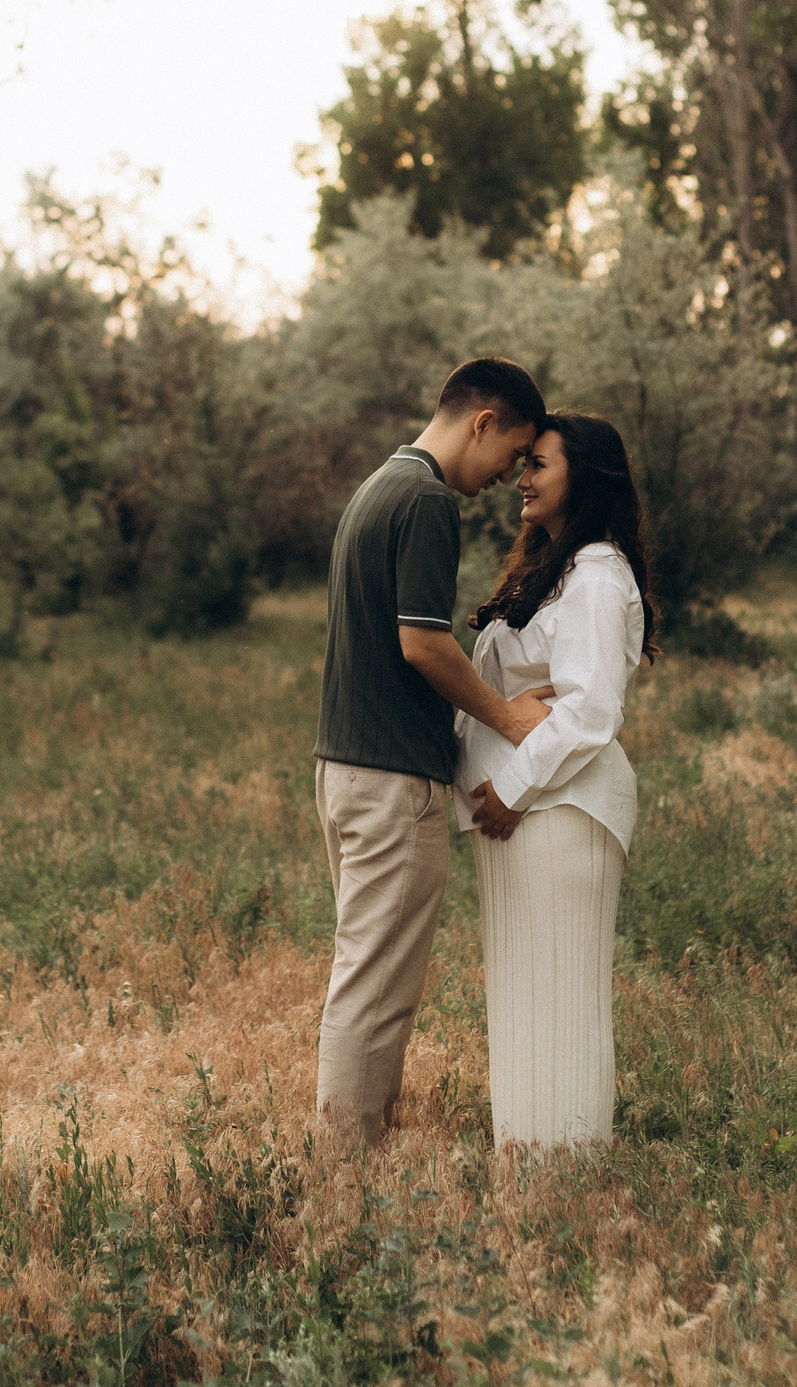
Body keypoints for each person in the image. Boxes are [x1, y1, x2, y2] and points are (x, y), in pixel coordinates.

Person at [313, 357, 553, 1148]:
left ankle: (348, 1159)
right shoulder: (425, 502)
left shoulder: (379, 486)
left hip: (344, 770)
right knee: (375, 988)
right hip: (390, 782)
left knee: (362, 973)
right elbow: (423, 643)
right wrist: (509, 720)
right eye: (513, 455)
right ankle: (346, 1176)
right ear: (482, 423)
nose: (507, 478)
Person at [456, 411, 658, 1149]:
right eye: (523, 462)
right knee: (520, 994)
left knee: (561, 995)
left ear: (586, 475)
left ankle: (567, 1173)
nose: (522, 477)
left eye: (539, 463)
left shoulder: (599, 575)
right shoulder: (551, 570)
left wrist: (512, 789)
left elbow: (591, 709)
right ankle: (524, 1164)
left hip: (559, 808)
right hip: (520, 816)